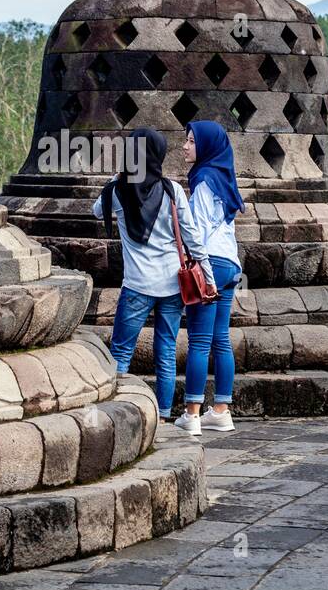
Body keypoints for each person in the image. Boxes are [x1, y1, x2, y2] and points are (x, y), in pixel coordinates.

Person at [93, 127, 215, 421]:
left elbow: (97, 211)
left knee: (121, 352)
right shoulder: (172, 190)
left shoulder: (117, 192)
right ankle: (161, 415)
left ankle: (116, 414)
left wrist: (117, 176)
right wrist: (208, 276)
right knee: (166, 352)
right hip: (173, 285)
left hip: (137, 286)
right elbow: (192, 238)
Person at [175, 120, 244, 434]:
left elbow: (198, 231)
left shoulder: (203, 179)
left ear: (206, 146)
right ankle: (220, 410)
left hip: (211, 263)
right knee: (222, 340)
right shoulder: (224, 177)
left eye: (191, 141)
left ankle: (191, 414)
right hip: (230, 262)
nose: (185, 146)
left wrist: (200, 267)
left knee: (200, 342)